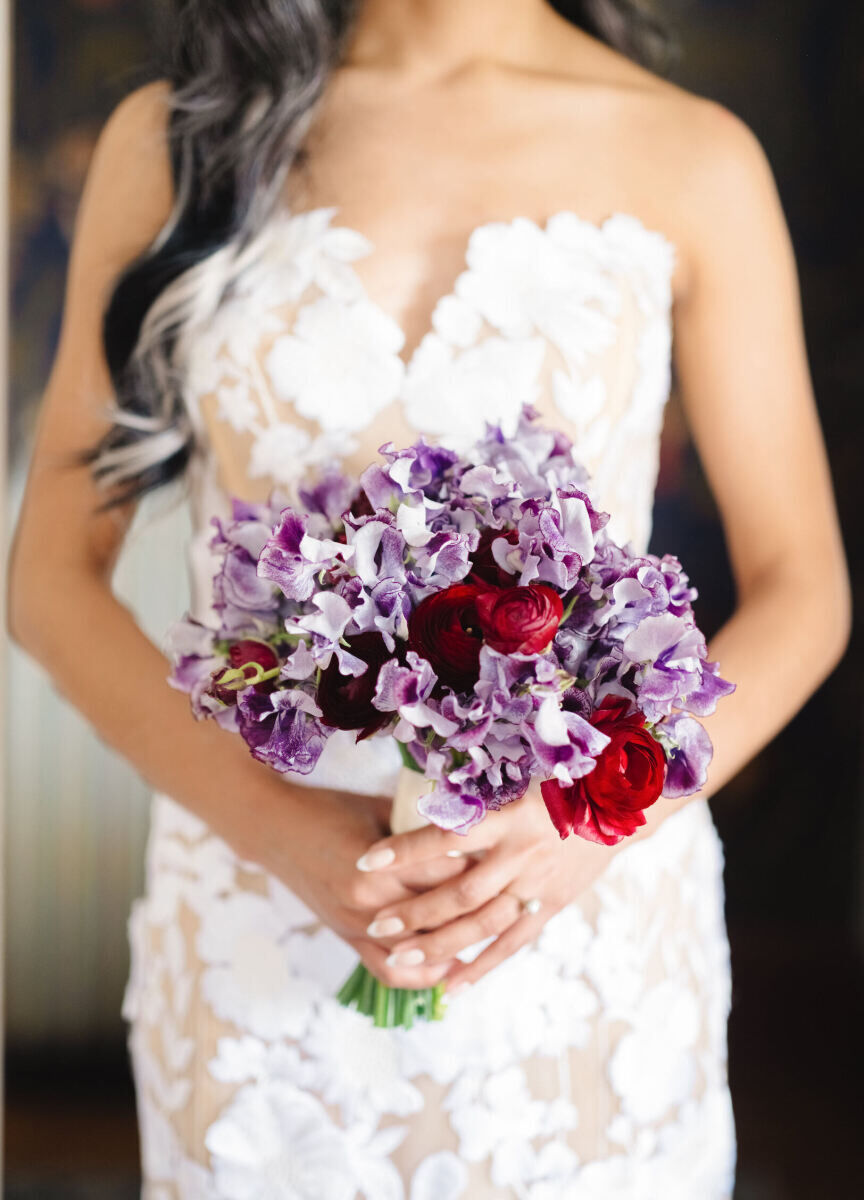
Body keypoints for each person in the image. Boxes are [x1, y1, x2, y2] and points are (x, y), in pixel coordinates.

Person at [7, 1, 851, 1195]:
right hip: (257, 933)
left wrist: (589, 821)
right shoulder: (180, 137)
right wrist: (287, 838)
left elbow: (803, 588)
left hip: (573, 932)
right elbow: (48, 583)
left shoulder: (693, 157)